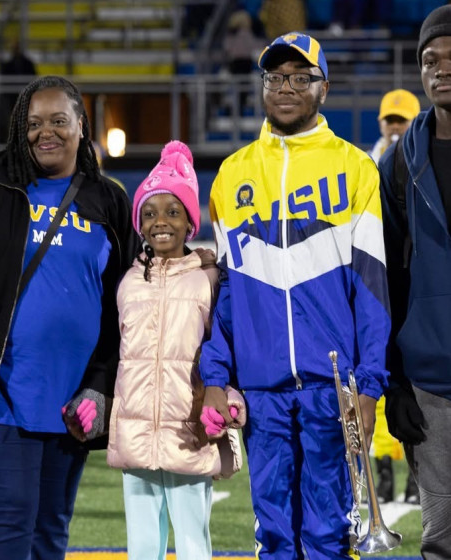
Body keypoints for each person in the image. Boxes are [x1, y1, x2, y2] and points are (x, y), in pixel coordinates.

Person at [0, 75, 138, 560]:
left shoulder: (109, 200)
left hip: (75, 400)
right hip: (4, 391)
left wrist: (101, 384)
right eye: (34, 123)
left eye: (59, 121)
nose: (46, 132)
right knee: (12, 512)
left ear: (81, 126)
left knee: (52, 523)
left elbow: (127, 305)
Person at [199, 32, 390, 559]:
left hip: (333, 388)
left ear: (323, 88)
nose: (286, 87)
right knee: (275, 536)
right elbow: (227, 294)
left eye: (300, 77)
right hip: (261, 389)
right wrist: (215, 376)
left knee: (329, 537)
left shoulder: (355, 168)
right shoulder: (231, 175)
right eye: (276, 77)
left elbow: (372, 287)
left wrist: (369, 385)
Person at [105, 140, 245, 560]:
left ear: (190, 222)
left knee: (193, 542)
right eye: (149, 213)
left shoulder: (210, 280)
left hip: (190, 431)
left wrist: (230, 399)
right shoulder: (128, 281)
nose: (160, 222)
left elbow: (226, 348)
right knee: (142, 545)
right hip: (136, 432)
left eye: (172, 211)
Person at [379, 5, 451, 558]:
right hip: (431, 384)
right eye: (430, 60)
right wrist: (396, 383)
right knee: (441, 541)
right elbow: (387, 280)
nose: (441, 69)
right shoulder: (399, 162)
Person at [367, 87, 421, 505]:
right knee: (381, 385)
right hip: (379, 282)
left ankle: (416, 479)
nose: (396, 127)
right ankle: (384, 476)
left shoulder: (423, 160)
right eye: (391, 120)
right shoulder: (368, 165)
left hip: (414, 285)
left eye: (403, 120)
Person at [369, 89, 421, 165]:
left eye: (402, 120)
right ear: (380, 123)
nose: (395, 126)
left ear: (417, 123)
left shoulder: (429, 159)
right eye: (389, 120)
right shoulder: (365, 162)